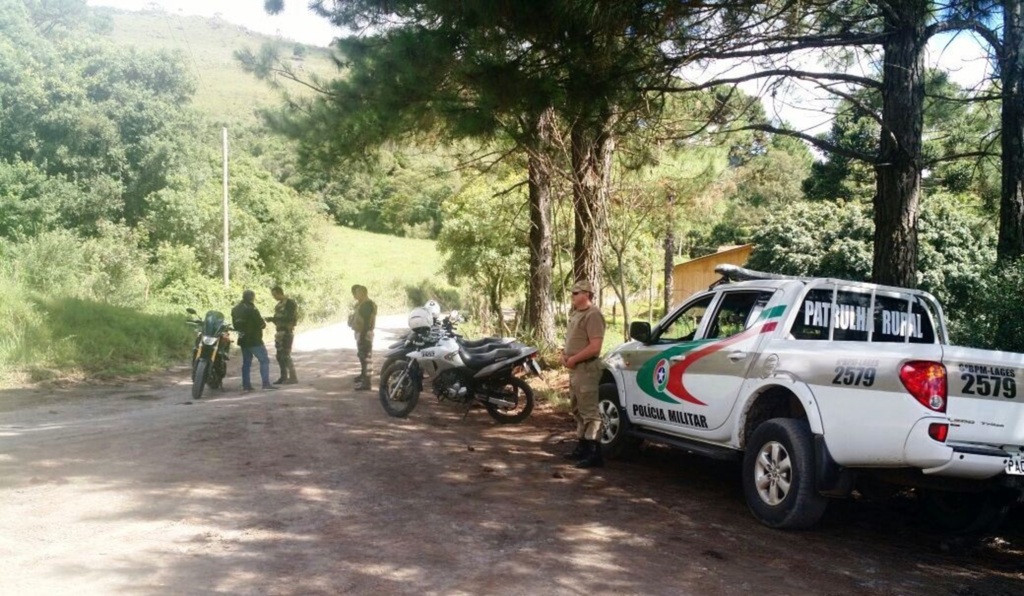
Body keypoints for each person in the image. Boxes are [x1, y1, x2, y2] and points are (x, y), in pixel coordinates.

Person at [561, 279, 606, 468]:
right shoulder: (576, 314)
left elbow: (595, 346)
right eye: (572, 293)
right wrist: (565, 355)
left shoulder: (593, 315)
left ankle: (594, 451)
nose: (572, 296)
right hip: (575, 369)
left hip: (586, 368)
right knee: (577, 408)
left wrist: (574, 358)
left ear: (586, 294)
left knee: (590, 411)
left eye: (576, 293)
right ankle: (582, 446)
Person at [231, 289, 276, 392]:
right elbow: (260, 324)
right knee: (264, 360)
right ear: (252, 297)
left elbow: (235, 325)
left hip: (243, 339)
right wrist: (263, 324)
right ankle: (266, 384)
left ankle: (246, 386)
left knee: (246, 362)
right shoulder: (252, 309)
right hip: (254, 339)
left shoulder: (235, 309)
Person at [266, 286, 299, 384]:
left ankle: (293, 377)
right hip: (280, 331)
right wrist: (272, 319)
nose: (274, 297)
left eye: (274, 295)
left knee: (285, 355)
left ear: (279, 293)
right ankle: (283, 377)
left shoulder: (289, 303)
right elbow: (279, 318)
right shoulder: (279, 305)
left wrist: (275, 319)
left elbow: (290, 317)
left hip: (286, 331)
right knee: (279, 355)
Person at [349, 284, 377, 390]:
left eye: (357, 293)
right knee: (363, 356)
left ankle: (367, 383)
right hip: (363, 333)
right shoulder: (364, 304)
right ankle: (364, 378)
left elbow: (366, 323)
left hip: (364, 333)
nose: (355, 295)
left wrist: (363, 336)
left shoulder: (366, 305)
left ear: (362, 293)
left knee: (366, 358)